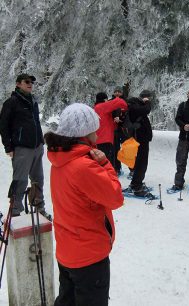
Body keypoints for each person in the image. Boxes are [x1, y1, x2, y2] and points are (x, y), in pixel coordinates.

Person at [45, 103, 124, 305]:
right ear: (84, 135)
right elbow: (115, 197)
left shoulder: (60, 159)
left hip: (67, 250)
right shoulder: (83, 165)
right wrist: (105, 164)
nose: (97, 137)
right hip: (89, 256)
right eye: (94, 132)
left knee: (67, 299)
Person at [0, 73, 50, 219]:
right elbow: (3, 125)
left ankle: (39, 208)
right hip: (21, 148)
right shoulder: (11, 102)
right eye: (27, 81)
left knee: (38, 179)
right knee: (20, 180)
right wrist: (8, 147)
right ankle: (15, 211)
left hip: (36, 147)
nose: (30, 84)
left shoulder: (33, 101)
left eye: (32, 82)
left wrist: (40, 140)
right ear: (18, 84)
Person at [126, 90, 153, 196]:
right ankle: (136, 186)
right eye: (147, 98)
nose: (148, 100)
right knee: (141, 162)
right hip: (139, 139)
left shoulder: (136, 106)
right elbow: (146, 110)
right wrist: (147, 102)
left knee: (141, 162)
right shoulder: (134, 106)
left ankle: (137, 183)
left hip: (142, 139)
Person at [94, 91, 127, 169]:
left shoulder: (96, 108)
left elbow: (106, 122)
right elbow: (122, 103)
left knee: (101, 164)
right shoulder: (103, 106)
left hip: (98, 140)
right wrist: (118, 97)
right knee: (108, 164)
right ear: (104, 99)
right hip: (105, 140)